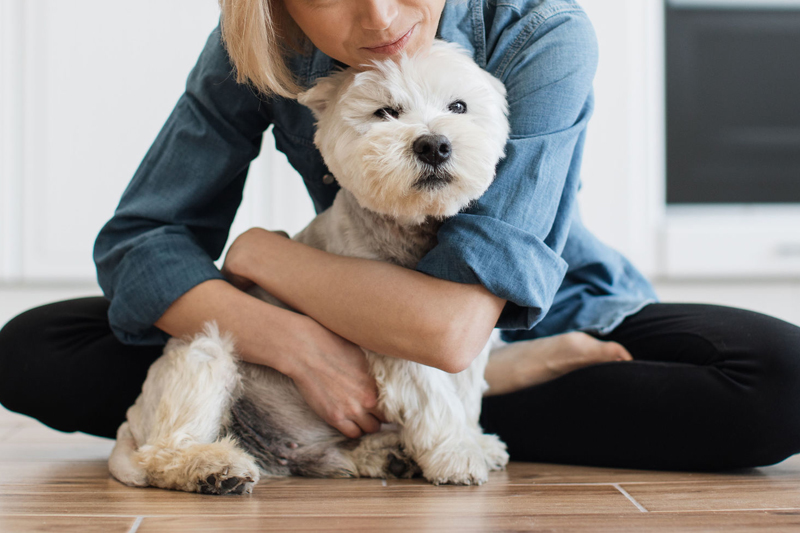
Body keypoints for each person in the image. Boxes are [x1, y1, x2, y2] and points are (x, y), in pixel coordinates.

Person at [2, 0, 799, 472]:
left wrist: (259, 254)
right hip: (320, 324)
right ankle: (440, 418)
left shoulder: (537, 29)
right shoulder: (263, 44)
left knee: (779, 378)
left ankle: (459, 405)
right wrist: (294, 345)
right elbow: (140, 238)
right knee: (33, 347)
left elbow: (447, 328)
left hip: (533, 311)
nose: (382, 20)